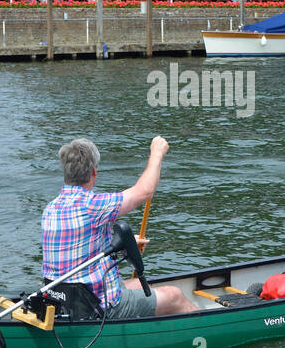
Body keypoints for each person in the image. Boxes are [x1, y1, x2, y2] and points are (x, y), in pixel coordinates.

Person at [42, 137, 195, 319]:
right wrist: (157, 153)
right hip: (95, 306)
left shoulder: (51, 208)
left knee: (138, 284)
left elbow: (80, 249)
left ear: (65, 172)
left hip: (65, 300)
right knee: (174, 296)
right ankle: (206, 333)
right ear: (94, 172)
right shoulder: (92, 206)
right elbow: (144, 191)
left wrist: (127, 245)